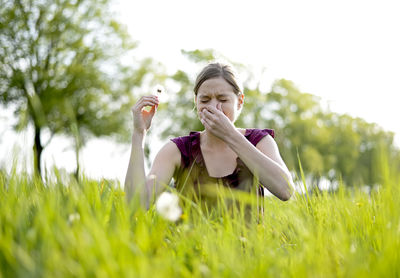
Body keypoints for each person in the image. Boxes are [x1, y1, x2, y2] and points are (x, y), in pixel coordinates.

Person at [125, 63, 293, 209]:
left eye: (223, 99)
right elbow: (137, 205)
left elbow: (285, 191)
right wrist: (139, 133)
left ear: (240, 101)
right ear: (195, 101)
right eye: (205, 100)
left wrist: (231, 136)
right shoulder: (178, 150)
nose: (213, 107)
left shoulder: (259, 142)